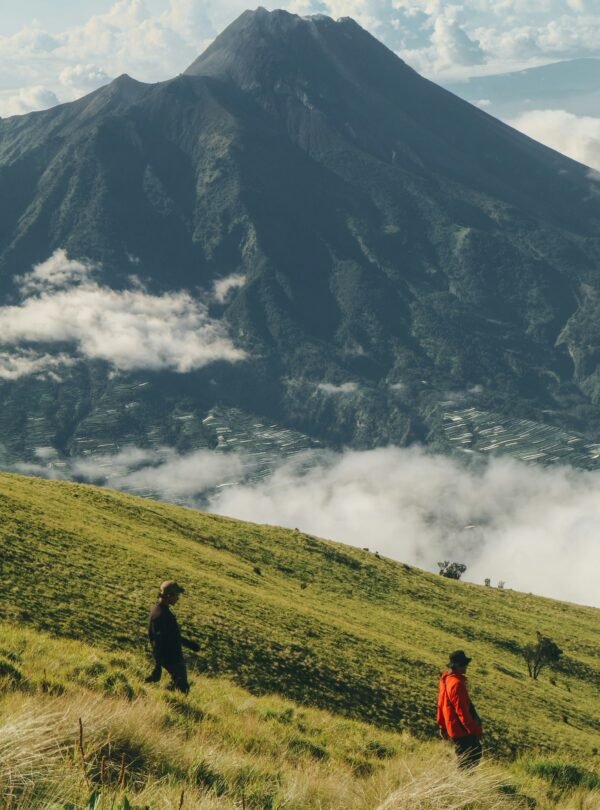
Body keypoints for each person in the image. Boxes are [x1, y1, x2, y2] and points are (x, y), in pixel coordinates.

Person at [145, 580, 200, 694]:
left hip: (172, 656)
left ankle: (160, 698)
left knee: (179, 686)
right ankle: (159, 698)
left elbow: (172, 635)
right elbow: (157, 642)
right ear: (169, 595)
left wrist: (190, 645)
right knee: (181, 687)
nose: (178, 598)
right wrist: (157, 665)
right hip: (170, 657)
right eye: (177, 595)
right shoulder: (160, 615)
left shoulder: (161, 611)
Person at [437, 650, 483, 768]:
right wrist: (476, 730)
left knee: (465, 758)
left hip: (454, 728)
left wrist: (442, 725)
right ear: (456, 665)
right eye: (464, 664)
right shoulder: (457, 684)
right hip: (462, 730)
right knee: (469, 760)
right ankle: (461, 784)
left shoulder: (446, 679)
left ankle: (462, 782)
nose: (466, 666)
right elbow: (462, 712)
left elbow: (441, 704)